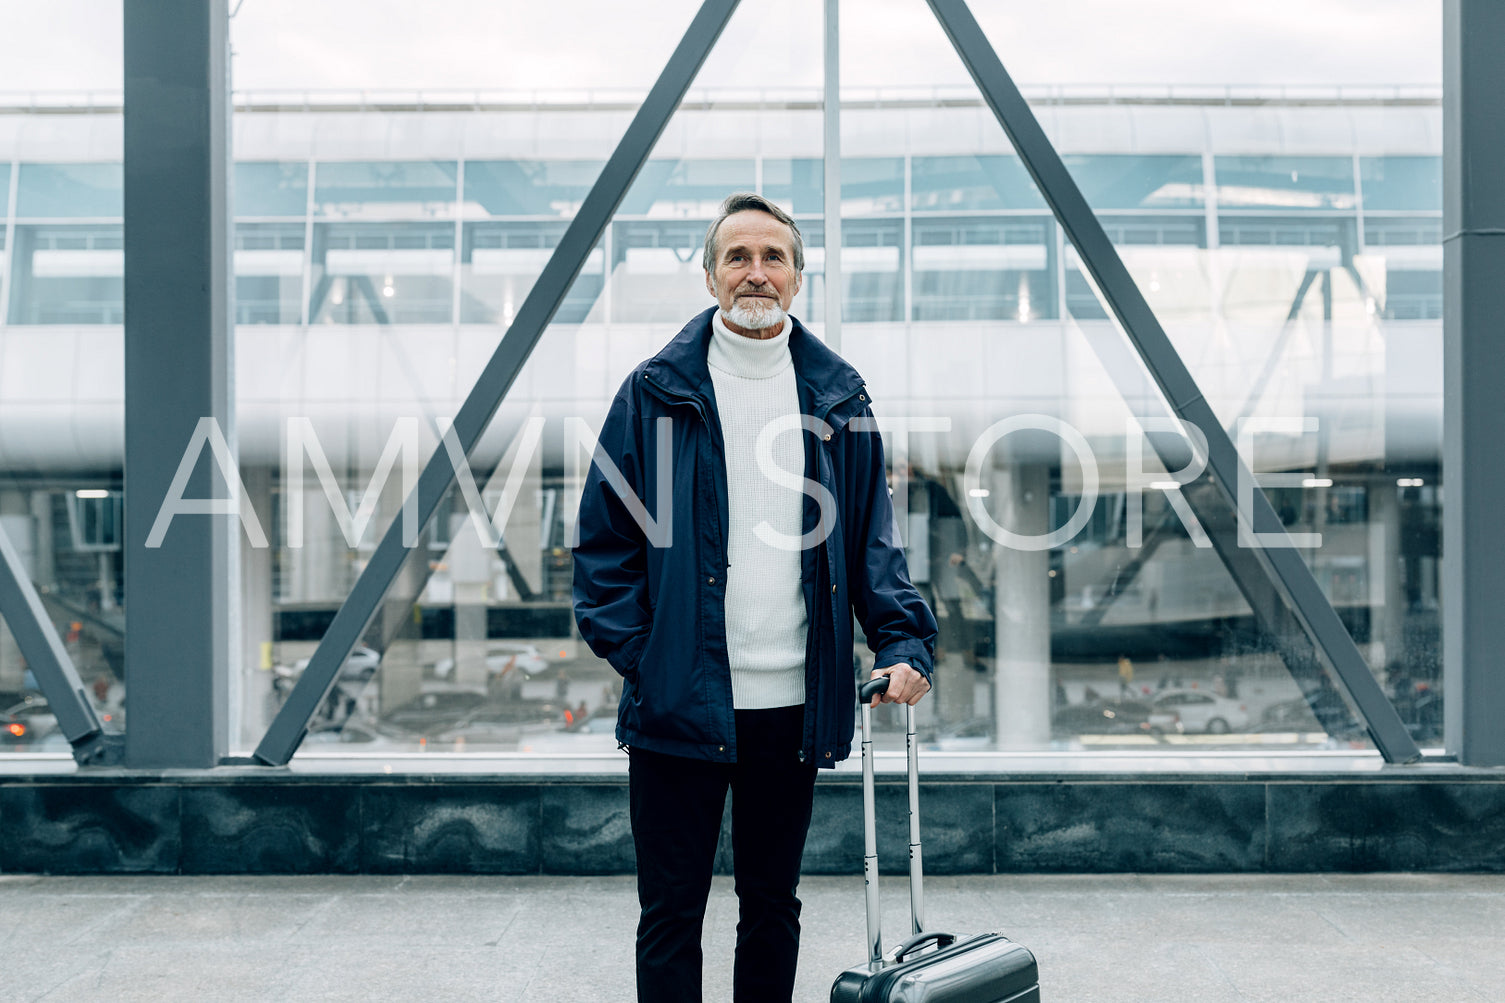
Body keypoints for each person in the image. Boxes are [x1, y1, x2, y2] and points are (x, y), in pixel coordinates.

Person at [573, 192, 937, 1002]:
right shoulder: (653, 393)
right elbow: (602, 548)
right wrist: (651, 660)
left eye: (773, 257)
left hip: (789, 706)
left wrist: (903, 641)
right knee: (670, 912)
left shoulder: (839, 399)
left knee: (772, 908)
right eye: (737, 256)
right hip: (679, 706)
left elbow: (871, 543)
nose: (755, 273)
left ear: (797, 279)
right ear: (709, 277)